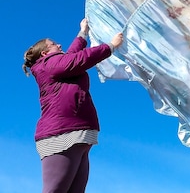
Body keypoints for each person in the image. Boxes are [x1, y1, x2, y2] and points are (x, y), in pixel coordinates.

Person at [22, 18, 123, 193]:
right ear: (45, 54)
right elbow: (76, 59)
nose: (59, 44)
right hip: (61, 136)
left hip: (76, 135)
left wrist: (83, 32)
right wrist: (110, 47)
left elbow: (72, 55)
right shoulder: (47, 65)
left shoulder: (55, 65)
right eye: (53, 44)